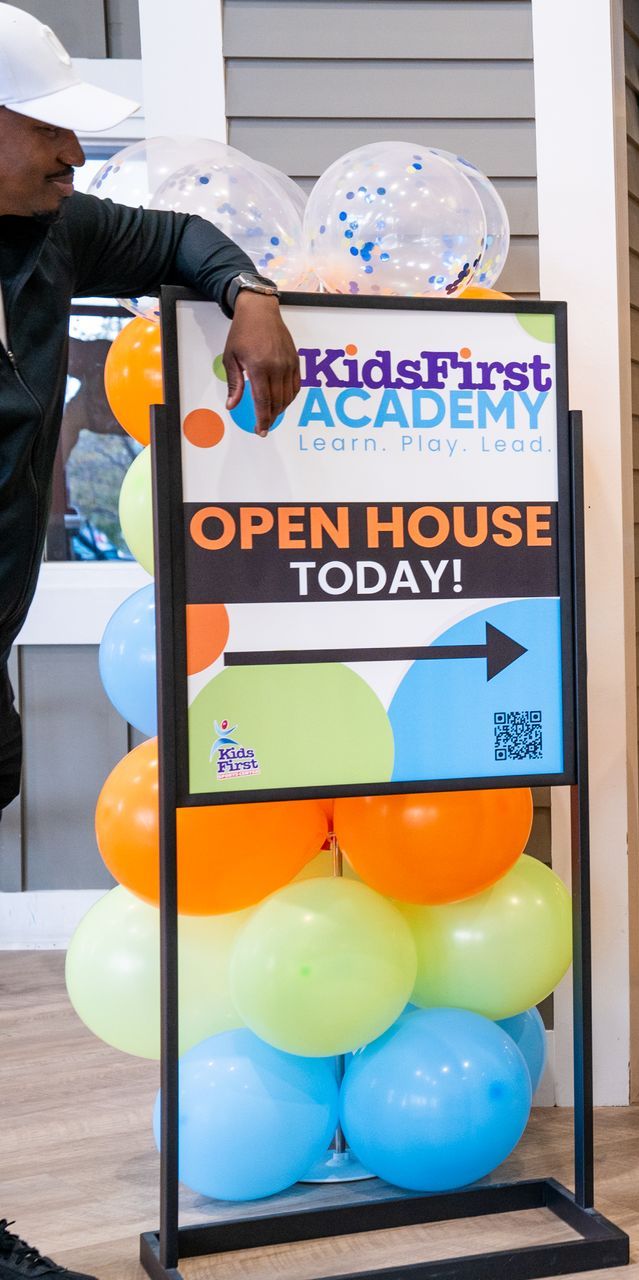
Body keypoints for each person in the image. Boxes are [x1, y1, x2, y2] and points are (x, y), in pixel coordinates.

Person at [0, 11, 297, 1280]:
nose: (72, 150)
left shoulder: (57, 229)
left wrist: (252, 294)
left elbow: (178, 237)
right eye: (48, 124)